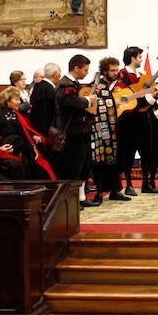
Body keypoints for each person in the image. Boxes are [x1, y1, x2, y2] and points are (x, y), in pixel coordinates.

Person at [54, 54, 98, 208]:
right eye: (85, 70)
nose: (86, 72)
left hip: (81, 130)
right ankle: (70, 200)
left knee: (83, 165)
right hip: (71, 132)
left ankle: (81, 197)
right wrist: (88, 100)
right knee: (72, 167)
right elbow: (71, 102)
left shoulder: (74, 84)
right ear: (76, 68)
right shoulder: (65, 84)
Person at [116, 47, 158, 197]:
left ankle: (146, 183)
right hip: (128, 120)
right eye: (140, 57)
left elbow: (148, 96)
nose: (141, 59)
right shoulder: (122, 75)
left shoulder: (144, 76)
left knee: (148, 152)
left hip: (144, 118)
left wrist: (153, 97)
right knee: (128, 153)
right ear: (133, 58)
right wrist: (142, 99)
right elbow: (123, 98)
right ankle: (128, 184)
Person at [0, 86, 55, 181]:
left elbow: (23, 131)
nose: (19, 102)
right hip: (17, 151)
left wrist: (32, 136)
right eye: (16, 99)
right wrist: (31, 149)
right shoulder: (8, 116)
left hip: (21, 147)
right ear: (7, 101)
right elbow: (14, 136)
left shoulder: (9, 114)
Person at [88, 57, 122, 203]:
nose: (115, 73)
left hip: (114, 129)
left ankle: (115, 190)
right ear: (104, 71)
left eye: (117, 70)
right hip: (99, 131)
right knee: (101, 162)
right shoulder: (96, 86)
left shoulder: (117, 86)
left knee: (114, 161)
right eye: (112, 70)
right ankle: (100, 193)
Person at [29, 62, 60, 137]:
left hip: (36, 129)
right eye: (60, 73)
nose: (60, 76)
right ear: (55, 74)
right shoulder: (49, 89)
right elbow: (48, 114)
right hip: (46, 132)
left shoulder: (38, 85)